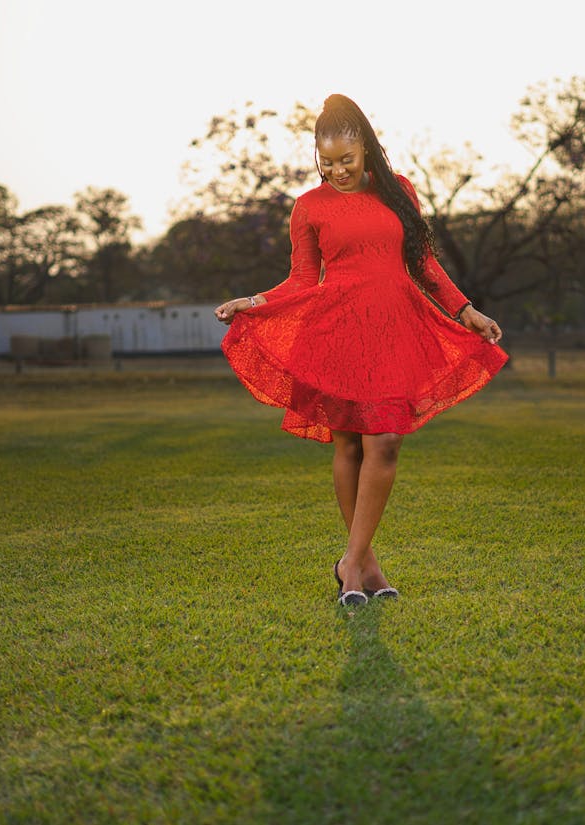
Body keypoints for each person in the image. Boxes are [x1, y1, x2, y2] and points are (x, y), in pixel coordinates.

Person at [215, 94, 507, 607]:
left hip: (394, 329)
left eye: (346, 161)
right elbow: (302, 279)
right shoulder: (309, 206)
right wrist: (253, 301)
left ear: (366, 150)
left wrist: (467, 312)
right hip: (337, 333)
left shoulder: (400, 194)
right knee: (348, 444)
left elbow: (425, 265)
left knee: (387, 440)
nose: (336, 171)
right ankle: (362, 567)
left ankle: (351, 560)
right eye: (326, 162)